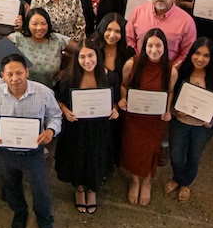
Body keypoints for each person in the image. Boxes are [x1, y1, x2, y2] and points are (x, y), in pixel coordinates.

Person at [0, 53, 62, 228]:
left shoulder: (43, 92)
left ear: (27, 71)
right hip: (5, 153)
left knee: (41, 190)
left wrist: (51, 131)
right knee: (11, 187)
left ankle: (45, 222)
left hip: (34, 153)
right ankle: (19, 213)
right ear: (2, 75)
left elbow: (55, 116)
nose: (14, 78)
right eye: (9, 74)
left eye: (19, 73)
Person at [54, 39, 119, 214]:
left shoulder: (109, 76)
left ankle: (92, 189)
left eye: (91, 55)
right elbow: (59, 101)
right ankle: (80, 189)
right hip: (76, 128)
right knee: (78, 158)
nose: (87, 61)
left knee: (95, 158)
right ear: (77, 59)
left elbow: (116, 102)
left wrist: (115, 110)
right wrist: (66, 111)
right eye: (82, 57)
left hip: (100, 128)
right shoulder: (68, 78)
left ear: (97, 56)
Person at [118, 29, 177, 206]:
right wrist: (122, 98)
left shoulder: (170, 70)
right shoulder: (132, 64)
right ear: (144, 47)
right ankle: (135, 180)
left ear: (165, 47)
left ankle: (146, 181)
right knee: (133, 149)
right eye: (150, 45)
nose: (154, 50)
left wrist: (167, 110)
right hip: (135, 117)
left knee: (152, 151)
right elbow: (124, 85)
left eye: (158, 45)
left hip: (155, 120)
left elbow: (171, 91)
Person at [166, 38, 213, 203]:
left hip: (203, 126)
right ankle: (177, 178)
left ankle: (185, 183)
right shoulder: (179, 70)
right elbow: (169, 93)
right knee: (176, 155)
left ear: (211, 57)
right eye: (197, 53)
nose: (200, 59)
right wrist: (174, 111)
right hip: (180, 122)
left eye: (206, 55)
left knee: (194, 156)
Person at [92, 13, 136, 166]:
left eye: (118, 31)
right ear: (102, 29)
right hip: (93, 101)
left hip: (116, 103)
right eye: (109, 30)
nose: (112, 35)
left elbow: (129, 83)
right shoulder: (92, 49)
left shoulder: (128, 54)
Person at [126, 0, 196, 64]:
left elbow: (187, 52)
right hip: (139, 65)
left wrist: (172, 69)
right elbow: (129, 39)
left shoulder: (186, 21)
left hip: (169, 71)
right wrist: (137, 59)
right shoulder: (138, 11)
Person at [7, 8, 73, 88]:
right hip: (22, 90)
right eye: (34, 24)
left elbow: (82, 51)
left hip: (51, 91)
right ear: (28, 24)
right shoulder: (17, 38)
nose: (39, 28)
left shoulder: (57, 39)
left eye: (43, 23)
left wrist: (67, 71)